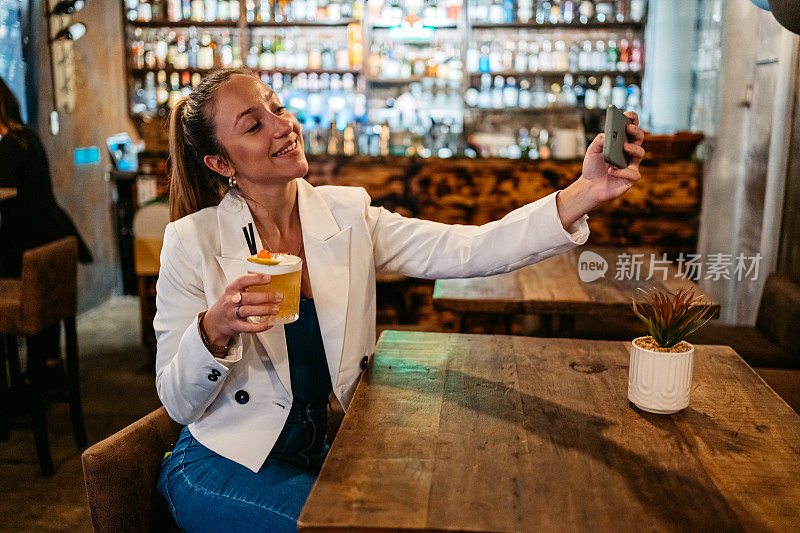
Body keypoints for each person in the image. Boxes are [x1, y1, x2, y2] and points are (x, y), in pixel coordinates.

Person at [155, 67, 645, 532]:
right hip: (223, 461)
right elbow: (177, 402)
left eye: (279, 109)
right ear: (221, 163)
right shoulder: (190, 242)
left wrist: (586, 192)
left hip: (327, 448)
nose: (283, 127)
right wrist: (213, 330)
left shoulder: (347, 215)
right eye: (254, 125)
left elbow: (468, 247)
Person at [0, 76, 93, 376]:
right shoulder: (28, 135)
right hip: (50, 231)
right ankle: (48, 364)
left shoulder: (10, 145)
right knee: (43, 307)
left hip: (27, 239)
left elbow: (6, 192)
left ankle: (22, 375)